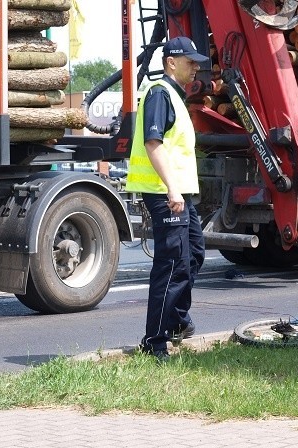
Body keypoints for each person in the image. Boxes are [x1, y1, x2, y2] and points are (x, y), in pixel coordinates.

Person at [125, 36, 208, 361]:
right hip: (165, 194)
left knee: (194, 254)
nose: (196, 67)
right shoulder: (160, 93)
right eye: (191, 62)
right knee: (172, 264)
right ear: (171, 62)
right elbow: (153, 144)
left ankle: (176, 321)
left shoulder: (173, 95)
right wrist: (172, 188)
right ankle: (155, 340)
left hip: (179, 195)